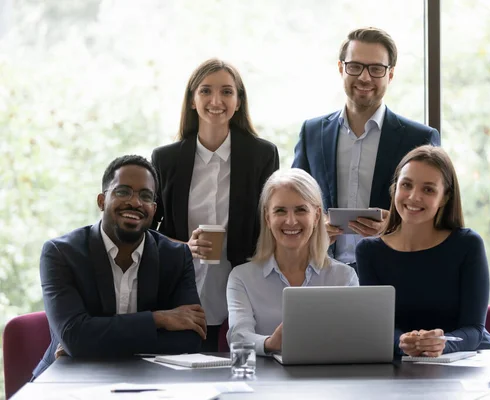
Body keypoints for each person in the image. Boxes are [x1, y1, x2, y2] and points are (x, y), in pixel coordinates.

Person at [33, 155, 206, 378]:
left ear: (153, 209)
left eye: (145, 196)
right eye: (123, 191)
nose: (135, 202)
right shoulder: (61, 254)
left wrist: (90, 342)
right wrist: (158, 319)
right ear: (101, 201)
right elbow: (75, 336)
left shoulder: (175, 257)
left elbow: (189, 341)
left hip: (150, 381)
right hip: (70, 378)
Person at [151, 58, 279, 351]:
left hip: (243, 291)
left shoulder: (262, 155)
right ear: (193, 100)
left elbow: (269, 224)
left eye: (227, 92)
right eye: (206, 91)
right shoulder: (165, 159)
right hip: (181, 293)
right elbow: (147, 233)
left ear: (238, 101)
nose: (216, 100)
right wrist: (185, 247)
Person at [292, 27, 441, 270]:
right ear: (341, 68)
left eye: (376, 69)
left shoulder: (420, 138)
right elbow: (294, 201)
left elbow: (437, 217)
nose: (364, 77)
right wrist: (315, 228)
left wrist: (394, 228)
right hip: (321, 272)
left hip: (392, 269)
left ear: (390, 75)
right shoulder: (312, 132)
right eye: (355, 66)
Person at [356, 146, 490, 358]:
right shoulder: (369, 252)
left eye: (428, 189)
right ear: (394, 188)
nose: (414, 197)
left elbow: (474, 330)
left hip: (469, 364)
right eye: (406, 185)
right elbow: (379, 326)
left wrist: (442, 345)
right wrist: (402, 343)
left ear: (445, 197)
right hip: (405, 366)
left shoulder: (467, 245)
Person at [226, 168, 358, 355]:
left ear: (317, 216)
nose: (290, 221)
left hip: (328, 379)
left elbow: (353, 338)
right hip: (264, 380)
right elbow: (238, 335)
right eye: (280, 211)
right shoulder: (242, 277)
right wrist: (271, 343)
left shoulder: (344, 277)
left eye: (300, 210)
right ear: (267, 216)